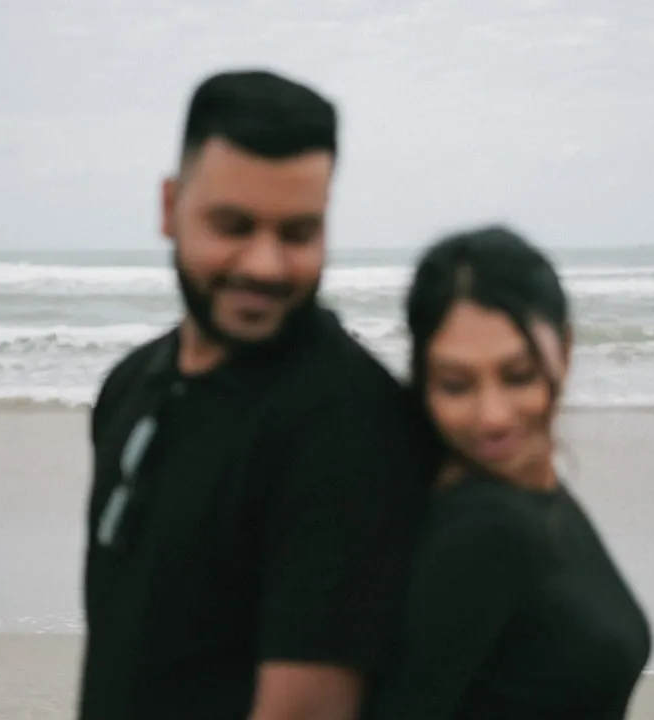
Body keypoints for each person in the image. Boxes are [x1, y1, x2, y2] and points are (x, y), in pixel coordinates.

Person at [78, 69, 427, 719]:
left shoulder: (351, 426)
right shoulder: (130, 386)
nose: (265, 265)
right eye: (233, 225)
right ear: (168, 208)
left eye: (297, 233)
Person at [365, 226, 652, 719]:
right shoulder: (483, 529)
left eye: (519, 375)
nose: (493, 416)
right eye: (456, 385)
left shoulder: (531, 495)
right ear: (424, 380)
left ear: (564, 347)